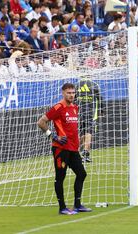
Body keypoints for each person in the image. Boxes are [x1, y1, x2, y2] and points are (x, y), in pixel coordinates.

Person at [37, 83, 92, 215]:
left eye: (73, 93)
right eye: (69, 93)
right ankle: (62, 208)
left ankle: (77, 205)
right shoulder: (58, 107)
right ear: (63, 93)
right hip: (60, 149)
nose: (72, 95)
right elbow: (41, 122)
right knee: (60, 177)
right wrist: (53, 136)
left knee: (82, 173)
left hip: (73, 149)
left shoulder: (75, 107)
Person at [76, 77, 103, 163]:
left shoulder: (77, 85)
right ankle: (86, 154)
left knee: (81, 133)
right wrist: (102, 110)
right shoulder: (94, 84)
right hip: (90, 112)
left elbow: (72, 99)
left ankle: (74, 152)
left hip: (78, 112)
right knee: (89, 132)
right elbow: (99, 98)